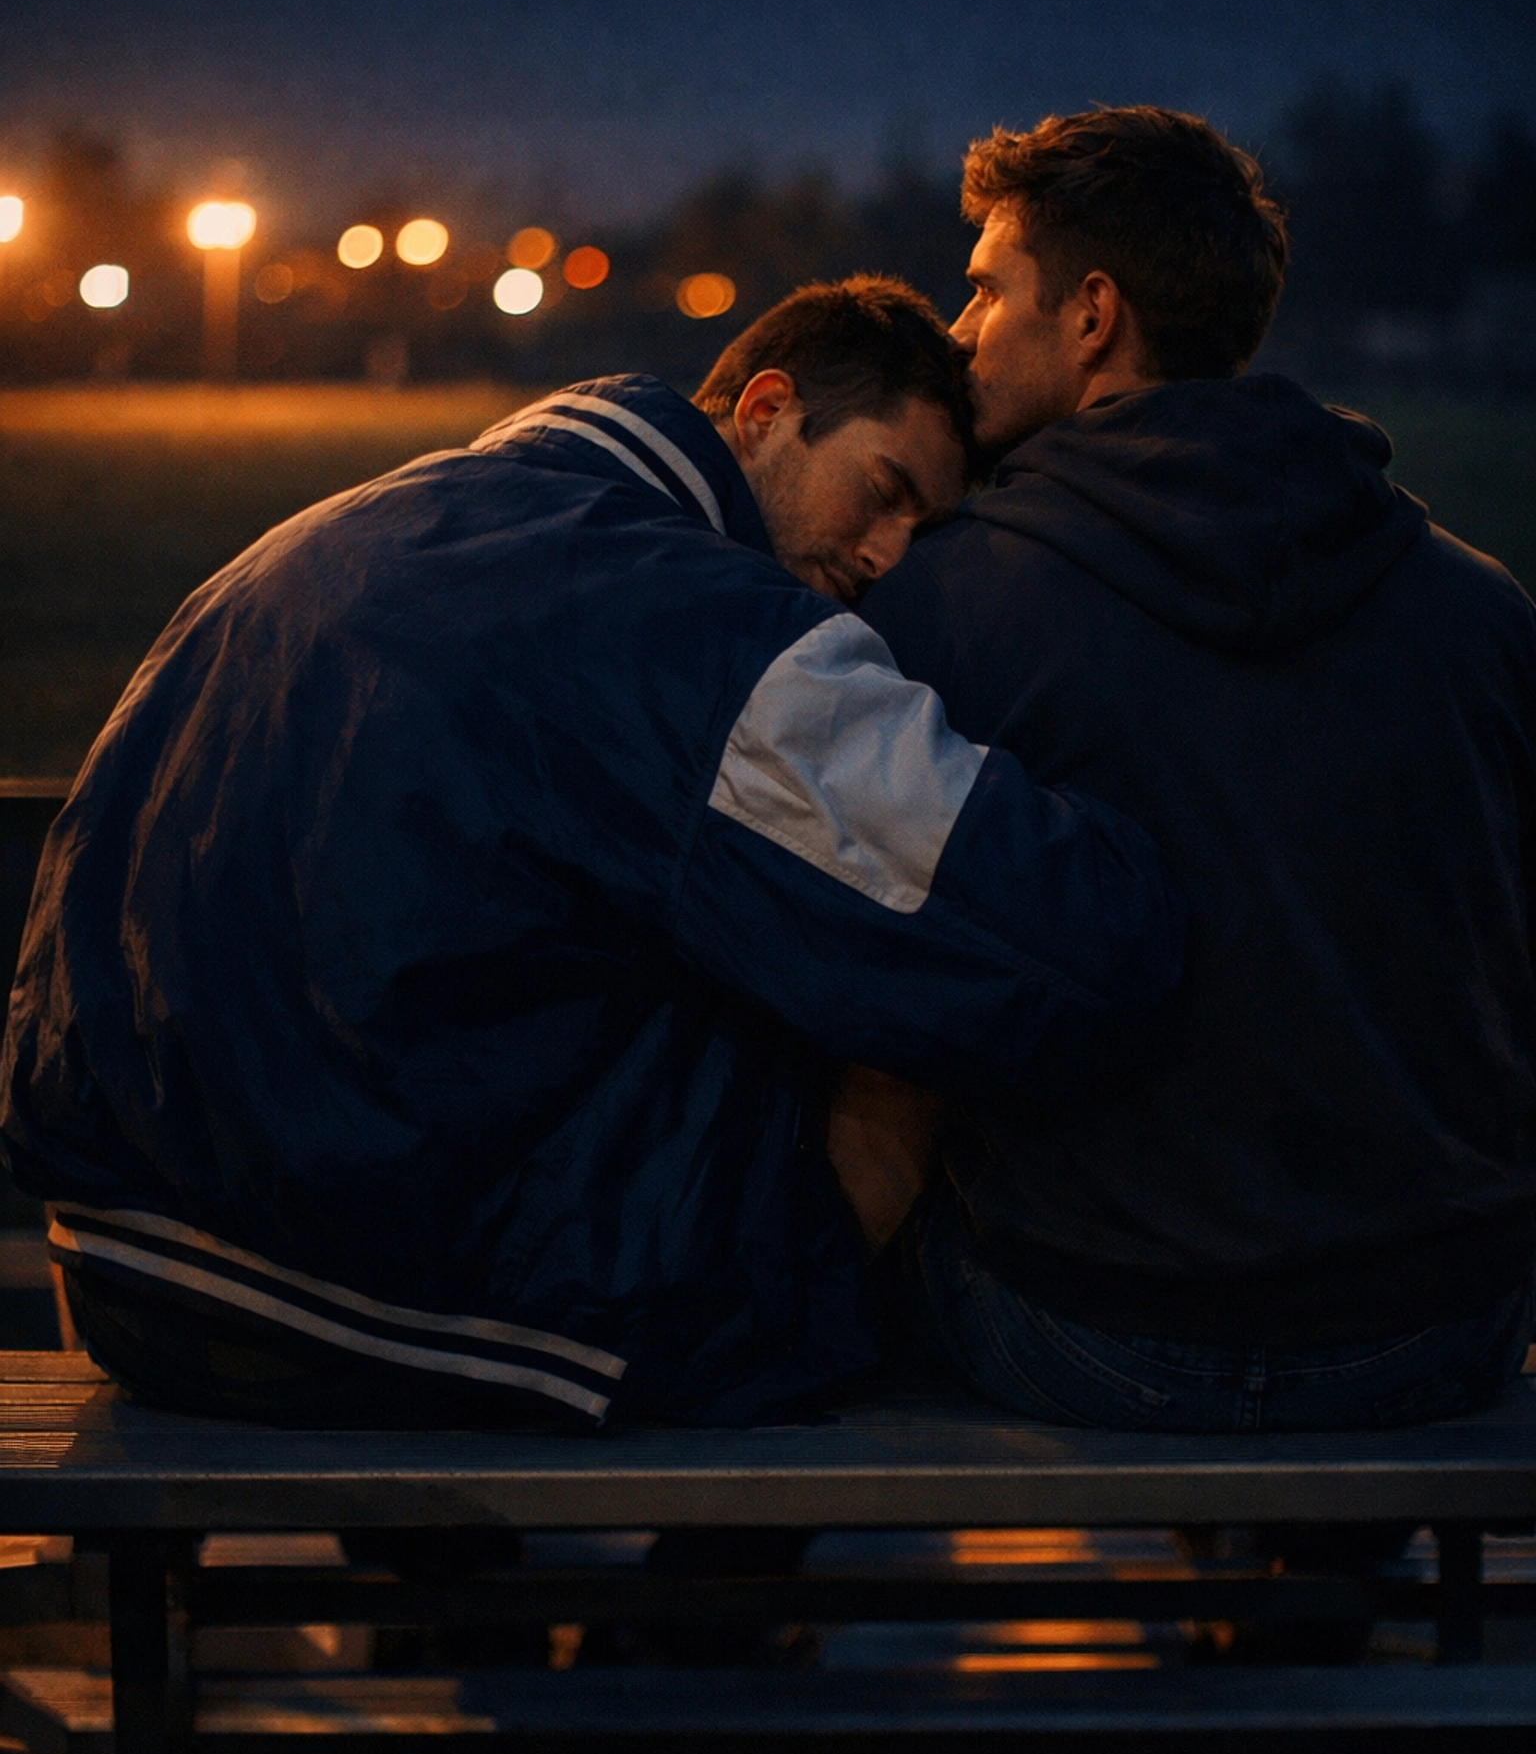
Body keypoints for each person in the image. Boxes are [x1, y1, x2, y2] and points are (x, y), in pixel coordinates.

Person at [1, 275, 1182, 1432]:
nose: (886, 556)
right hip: (381, 1302)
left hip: (126, 1267)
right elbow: (1070, 936)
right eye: (885, 491)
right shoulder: (693, 618)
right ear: (766, 410)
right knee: (888, 1040)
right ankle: (739, 1558)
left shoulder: (331, 531)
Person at [855, 108, 1536, 1433]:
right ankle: (1317, 1548)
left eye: (986, 289)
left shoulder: (946, 603)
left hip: (1090, 1323)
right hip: (1438, 1323)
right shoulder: (1481, 606)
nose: (958, 330)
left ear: (1092, 314)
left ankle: (718, 1561)